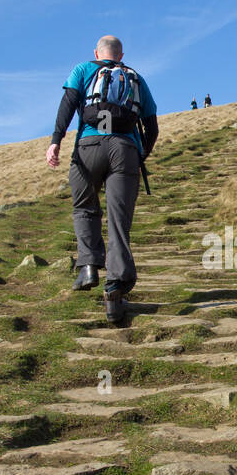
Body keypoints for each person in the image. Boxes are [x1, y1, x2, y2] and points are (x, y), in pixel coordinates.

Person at [46, 35, 158, 323]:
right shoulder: (136, 79)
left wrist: (56, 141)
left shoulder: (83, 69)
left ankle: (88, 266)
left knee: (84, 207)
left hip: (89, 148)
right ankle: (115, 293)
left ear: (97, 52)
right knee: (119, 222)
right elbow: (152, 126)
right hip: (124, 150)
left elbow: (68, 105)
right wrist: (138, 154)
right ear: (120, 55)